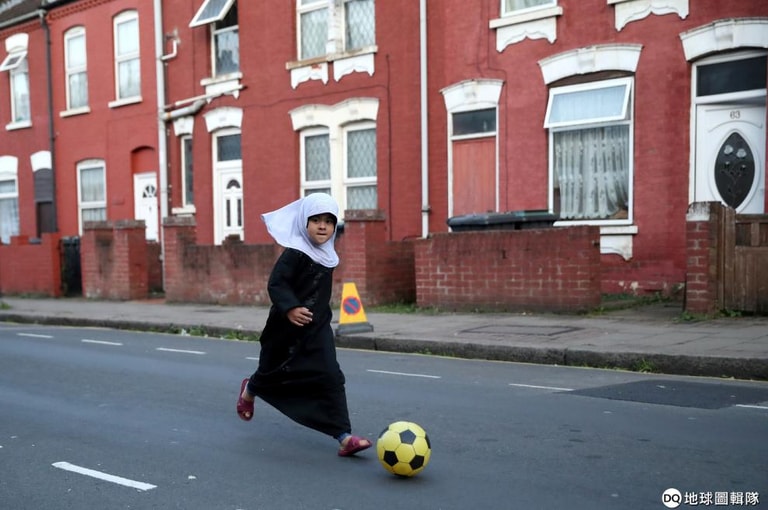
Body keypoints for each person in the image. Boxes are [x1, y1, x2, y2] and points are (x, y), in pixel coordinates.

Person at [236, 193, 372, 457]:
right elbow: (277, 283)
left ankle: (344, 437)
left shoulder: (328, 254)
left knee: (331, 375)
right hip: (285, 329)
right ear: (303, 222)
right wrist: (290, 308)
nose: (322, 226)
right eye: (316, 220)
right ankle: (250, 390)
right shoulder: (295, 253)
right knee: (272, 372)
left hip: (317, 328)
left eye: (329, 221)